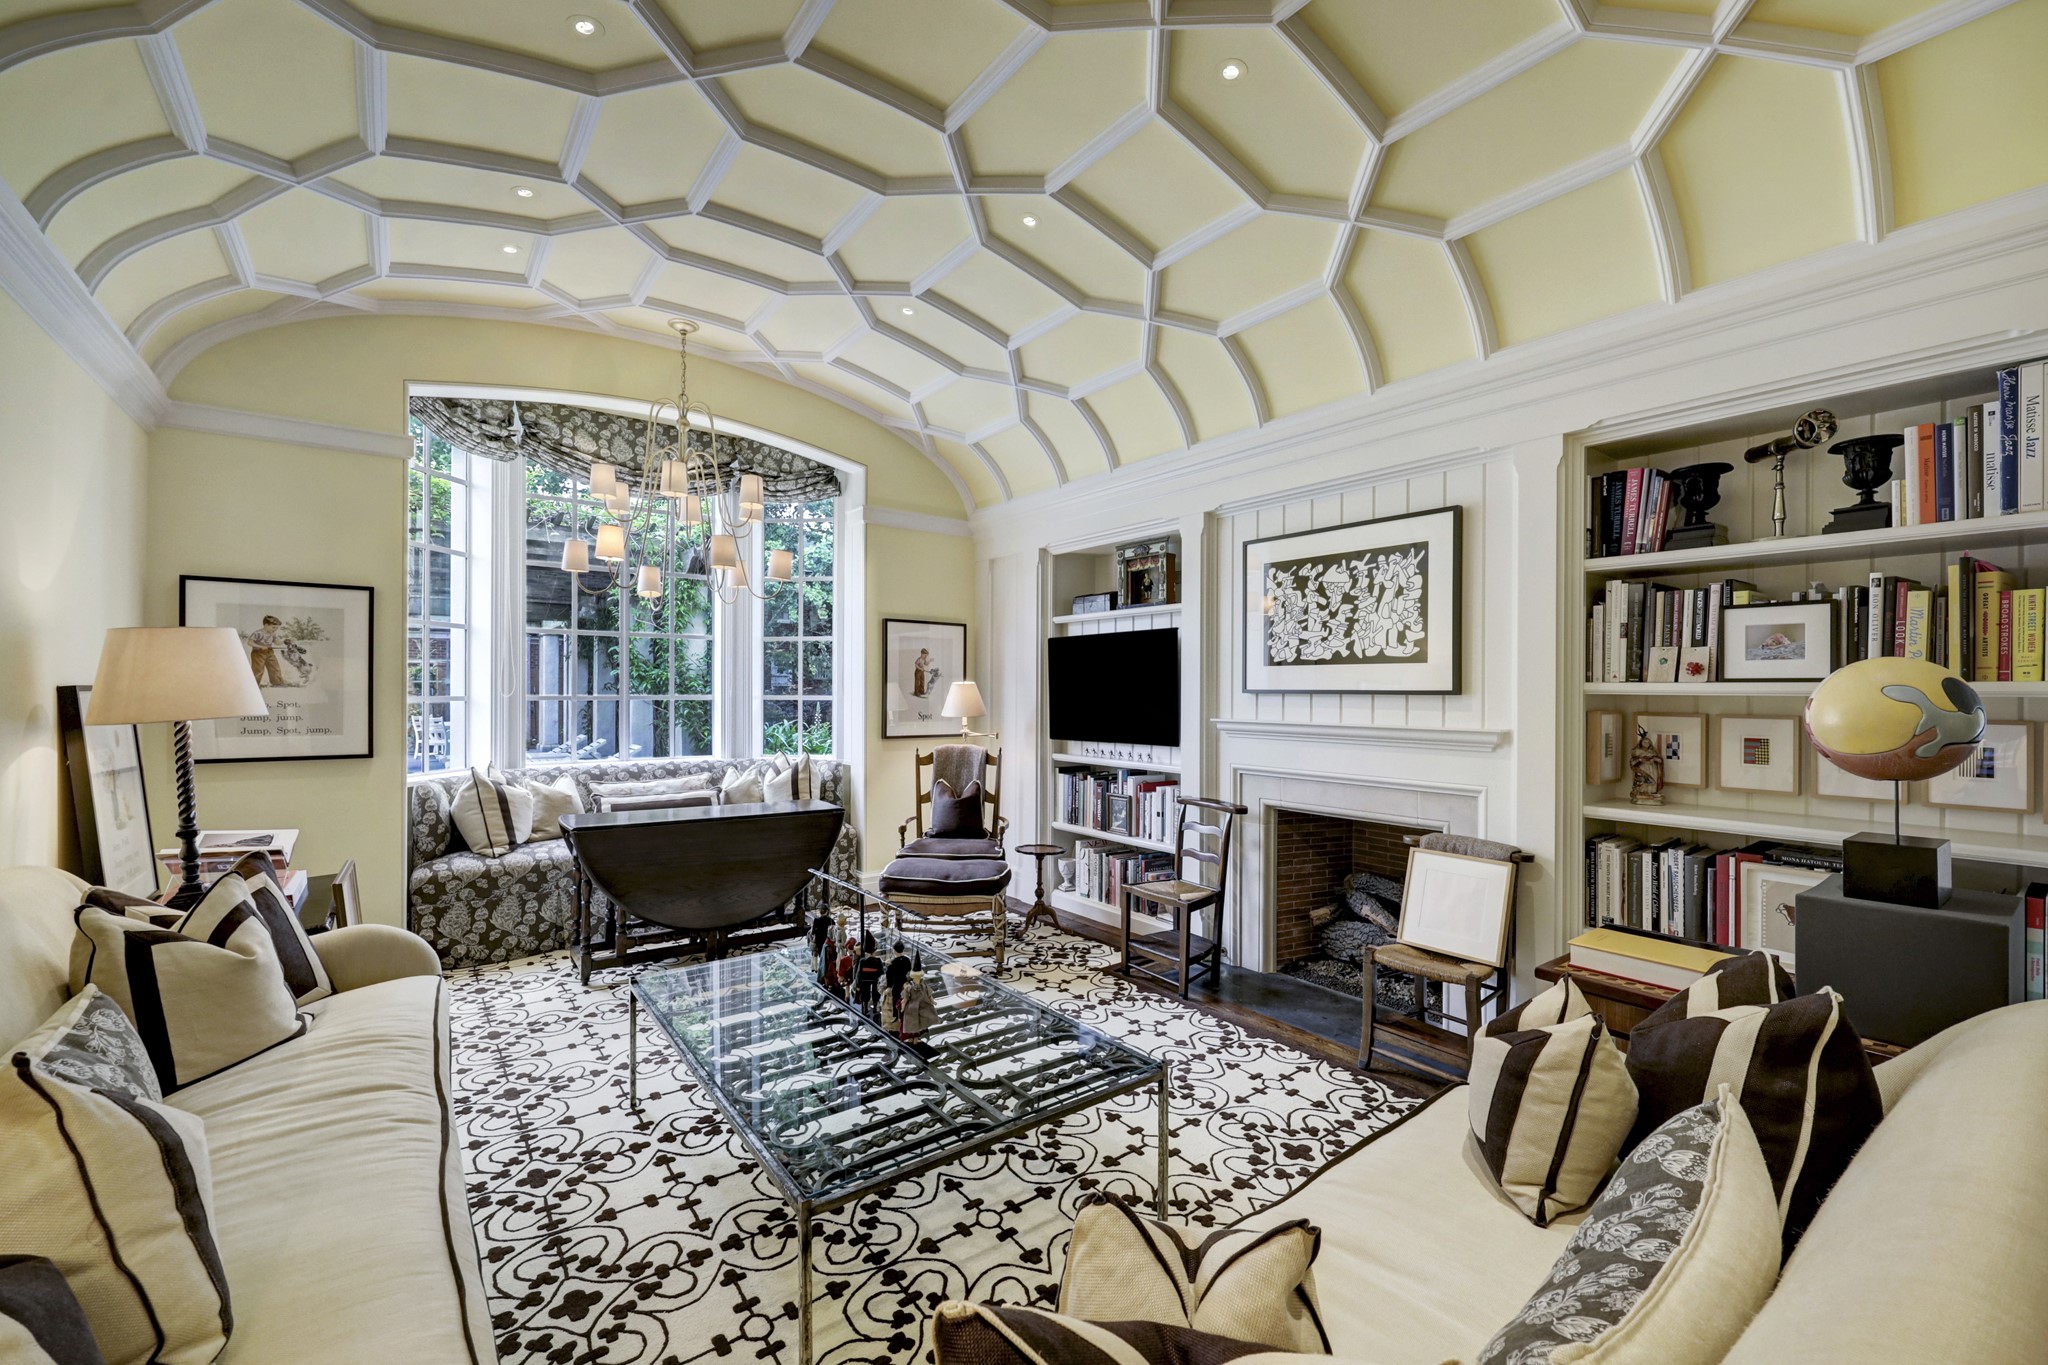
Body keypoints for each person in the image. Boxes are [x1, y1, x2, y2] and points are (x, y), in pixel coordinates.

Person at [248, 615, 288, 687]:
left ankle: (277, 683)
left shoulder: (273, 634)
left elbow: (277, 642)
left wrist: (284, 641)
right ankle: (254, 686)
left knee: (275, 667)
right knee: (258, 670)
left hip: (270, 652)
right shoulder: (258, 633)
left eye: (276, 628)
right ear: (266, 625)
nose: (275, 629)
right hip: (258, 653)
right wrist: (261, 646)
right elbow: (250, 642)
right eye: (273, 627)